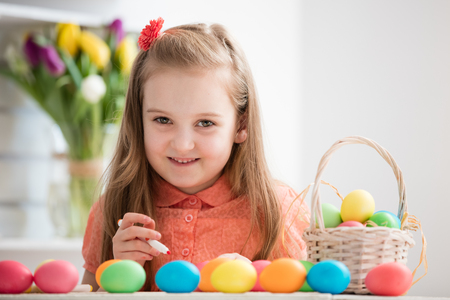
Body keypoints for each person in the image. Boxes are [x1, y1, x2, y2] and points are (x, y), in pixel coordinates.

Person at [81, 17, 310, 291]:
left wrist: (255, 284)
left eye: (205, 123)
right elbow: (88, 293)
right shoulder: (114, 210)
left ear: (241, 125)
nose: (182, 145)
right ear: (137, 120)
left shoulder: (279, 211)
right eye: (163, 120)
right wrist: (118, 275)